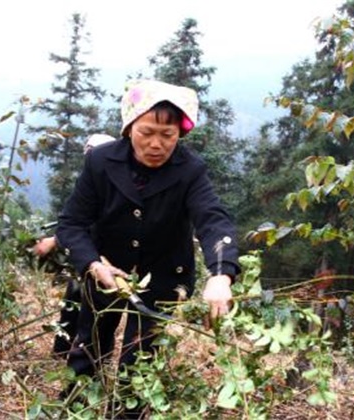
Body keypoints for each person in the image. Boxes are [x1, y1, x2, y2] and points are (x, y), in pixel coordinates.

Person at [55, 79, 239, 413]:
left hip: (164, 275)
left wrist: (221, 273)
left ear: (180, 134)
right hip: (104, 270)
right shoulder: (100, 162)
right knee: (89, 347)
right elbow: (72, 223)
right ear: (128, 128)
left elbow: (213, 219)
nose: (156, 144)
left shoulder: (191, 171)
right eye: (146, 132)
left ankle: (127, 413)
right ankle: (75, 408)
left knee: (138, 361)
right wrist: (94, 264)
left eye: (167, 136)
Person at [33, 133, 117, 357]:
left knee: (98, 312)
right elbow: (74, 223)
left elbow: (88, 226)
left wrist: (54, 240)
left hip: (104, 259)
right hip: (87, 259)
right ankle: (64, 352)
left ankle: (95, 357)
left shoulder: (113, 184)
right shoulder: (92, 180)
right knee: (73, 306)